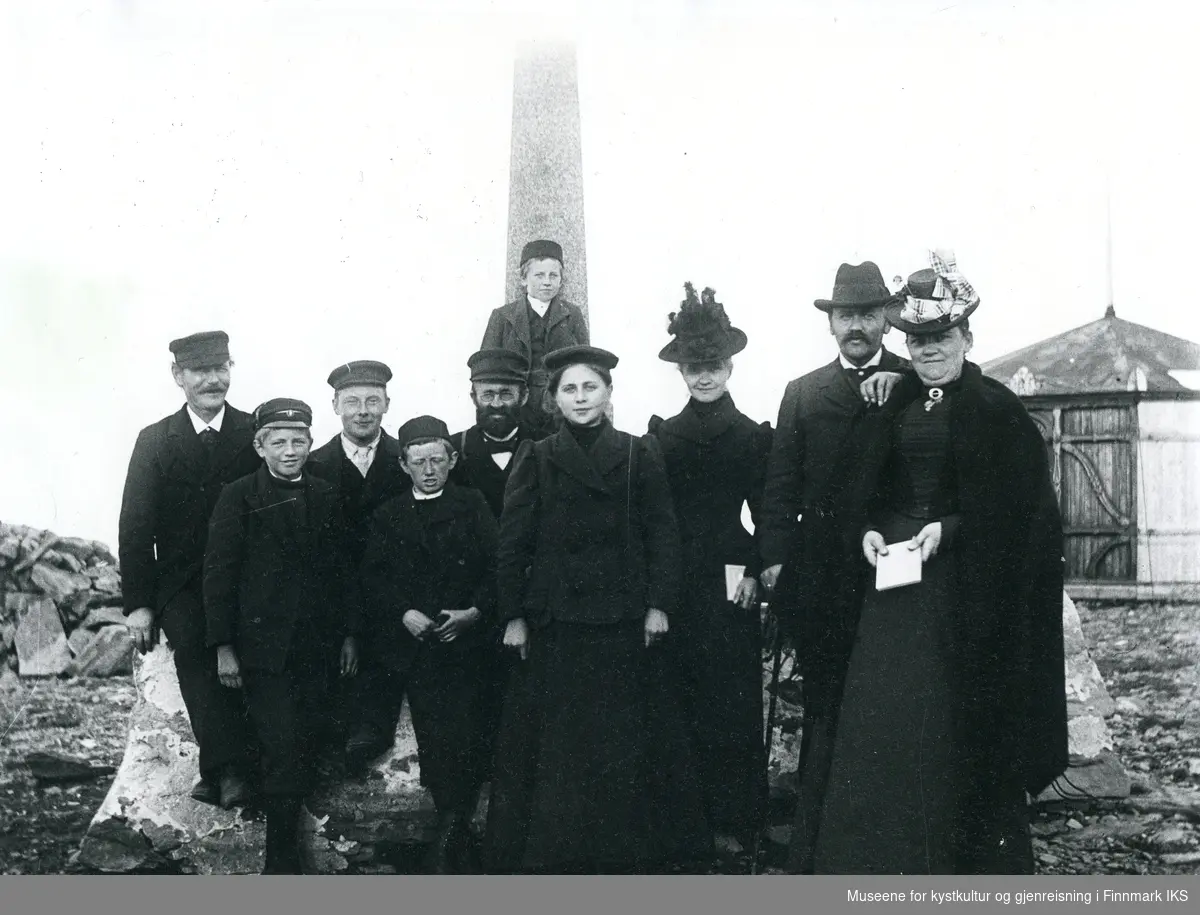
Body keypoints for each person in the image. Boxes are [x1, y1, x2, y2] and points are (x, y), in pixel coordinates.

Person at [788, 251, 1067, 874]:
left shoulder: (999, 410)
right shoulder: (891, 398)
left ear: (967, 337)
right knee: (882, 715)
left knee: (948, 719)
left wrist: (952, 526)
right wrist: (865, 531)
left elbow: (1023, 515)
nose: (929, 349)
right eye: (917, 340)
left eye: (941, 337)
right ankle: (876, 860)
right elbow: (861, 486)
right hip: (893, 585)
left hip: (963, 590)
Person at [483, 344, 712, 874]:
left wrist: (659, 605)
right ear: (554, 399)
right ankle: (561, 857)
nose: (581, 398)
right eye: (570, 389)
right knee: (563, 746)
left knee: (622, 740)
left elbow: (663, 534)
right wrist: (514, 615)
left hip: (623, 622)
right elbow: (512, 544)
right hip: (558, 624)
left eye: (591, 387)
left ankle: (624, 855)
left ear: (609, 394)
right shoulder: (536, 457)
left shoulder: (638, 452)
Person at [756, 261, 907, 869]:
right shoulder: (804, 391)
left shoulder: (911, 379)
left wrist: (903, 388)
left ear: (886, 322)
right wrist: (772, 561)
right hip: (820, 572)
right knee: (824, 701)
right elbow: (779, 486)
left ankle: (882, 833)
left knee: (887, 696)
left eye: (869, 315)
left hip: (891, 570)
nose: (857, 327)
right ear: (831, 324)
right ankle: (817, 836)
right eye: (847, 316)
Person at [203, 398, 361, 875]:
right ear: (260, 446)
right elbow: (219, 574)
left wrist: (350, 634)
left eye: (299, 441)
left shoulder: (327, 493)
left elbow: (345, 571)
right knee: (281, 745)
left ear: (311, 444)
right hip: (262, 650)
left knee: (307, 742)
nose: (290, 450)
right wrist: (224, 648)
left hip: (316, 648)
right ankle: (281, 861)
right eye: (279, 442)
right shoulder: (239, 495)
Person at [646, 283, 773, 863]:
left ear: (729, 367)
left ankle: (736, 821)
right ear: (682, 371)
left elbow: (769, 512)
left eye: (713, 366)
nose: (704, 376)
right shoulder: (662, 439)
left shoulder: (752, 436)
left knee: (734, 700)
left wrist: (753, 570)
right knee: (677, 698)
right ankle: (684, 825)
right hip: (676, 579)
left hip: (732, 581)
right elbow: (652, 519)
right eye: (694, 367)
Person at [118, 330, 262, 809]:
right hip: (183, 583)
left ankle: (226, 770)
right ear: (178, 376)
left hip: (248, 577)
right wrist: (138, 604)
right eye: (201, 371)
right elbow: (136, 526)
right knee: (197, 657)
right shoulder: (156, 440)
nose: (213, 380)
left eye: (221, 368)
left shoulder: (254, 432)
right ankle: (231, 769)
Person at [359, 415, 499, 874]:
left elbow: (498, 566)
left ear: (453, 459)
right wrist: (404, 612)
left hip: (469, 644)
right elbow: (373, 576)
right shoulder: (388, 513)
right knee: (435, 737)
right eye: (419, 461)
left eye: (438, 459)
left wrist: (474, 613)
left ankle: (456, 833)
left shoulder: (473, 503)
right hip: (417, 646)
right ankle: (450, 828)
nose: (430, 469)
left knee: (472, 733)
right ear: (404, 465)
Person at [307, 360, 405, 766]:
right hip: (333, 589)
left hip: (394, 589)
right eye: (352, 402)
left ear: (386, 404)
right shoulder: (313, 464)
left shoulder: (408, 460)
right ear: (335, 406)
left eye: (372, 400)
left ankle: (370, 734)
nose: (362, 410)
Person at [480, 239, 590, 437]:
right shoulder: (503, 317)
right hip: (518, 408)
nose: (547, 282)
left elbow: (585, 364)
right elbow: (486, 369)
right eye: (539, 275)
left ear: (561, 280)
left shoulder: (572, 315)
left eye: (553, 275)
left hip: (560, 407)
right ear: (524, 279)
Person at [449, 349, 540, 519]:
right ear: (474, 398)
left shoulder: (545, 446)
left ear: (524, 397)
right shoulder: (452, 449)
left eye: (506, 394)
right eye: (487, 395)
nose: (496, 404)